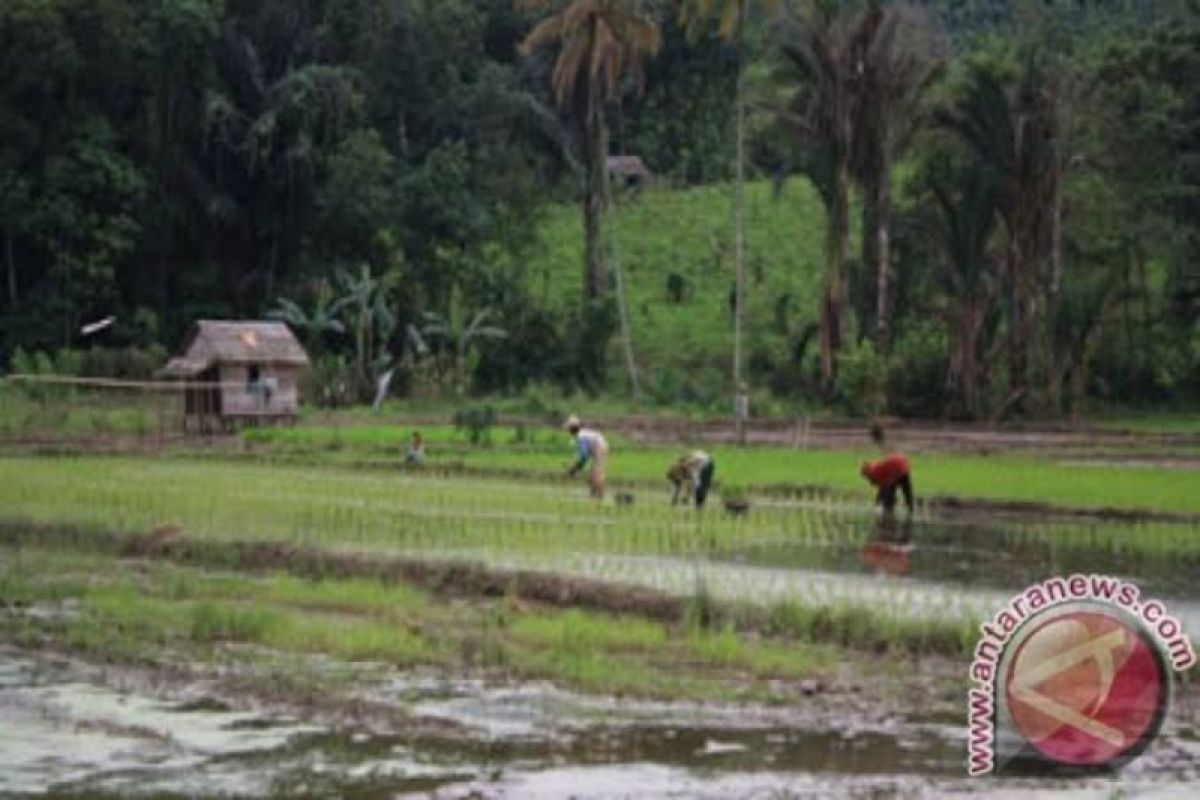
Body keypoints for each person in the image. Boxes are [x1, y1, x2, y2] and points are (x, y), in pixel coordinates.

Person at [860, 424, 914, 515]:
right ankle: (911, 508)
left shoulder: (874, 472)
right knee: (907, 491)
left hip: (896, 468)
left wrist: (877, 503)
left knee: (889, 495)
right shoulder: (877, 467)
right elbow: (881, 487)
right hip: (903, 464)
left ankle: (889, 512)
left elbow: (882, 488)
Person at [565, 415, 608, 500]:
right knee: (592, 473)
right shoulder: (580, 436)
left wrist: (575, 468)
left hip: (599, 446)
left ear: (571, 429)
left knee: (597, 472)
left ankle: (599, 496)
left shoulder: (580, 437)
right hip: (598, 446)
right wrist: (576, 467)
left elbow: (584, 456)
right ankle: (594, 494)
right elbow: (583, 456)